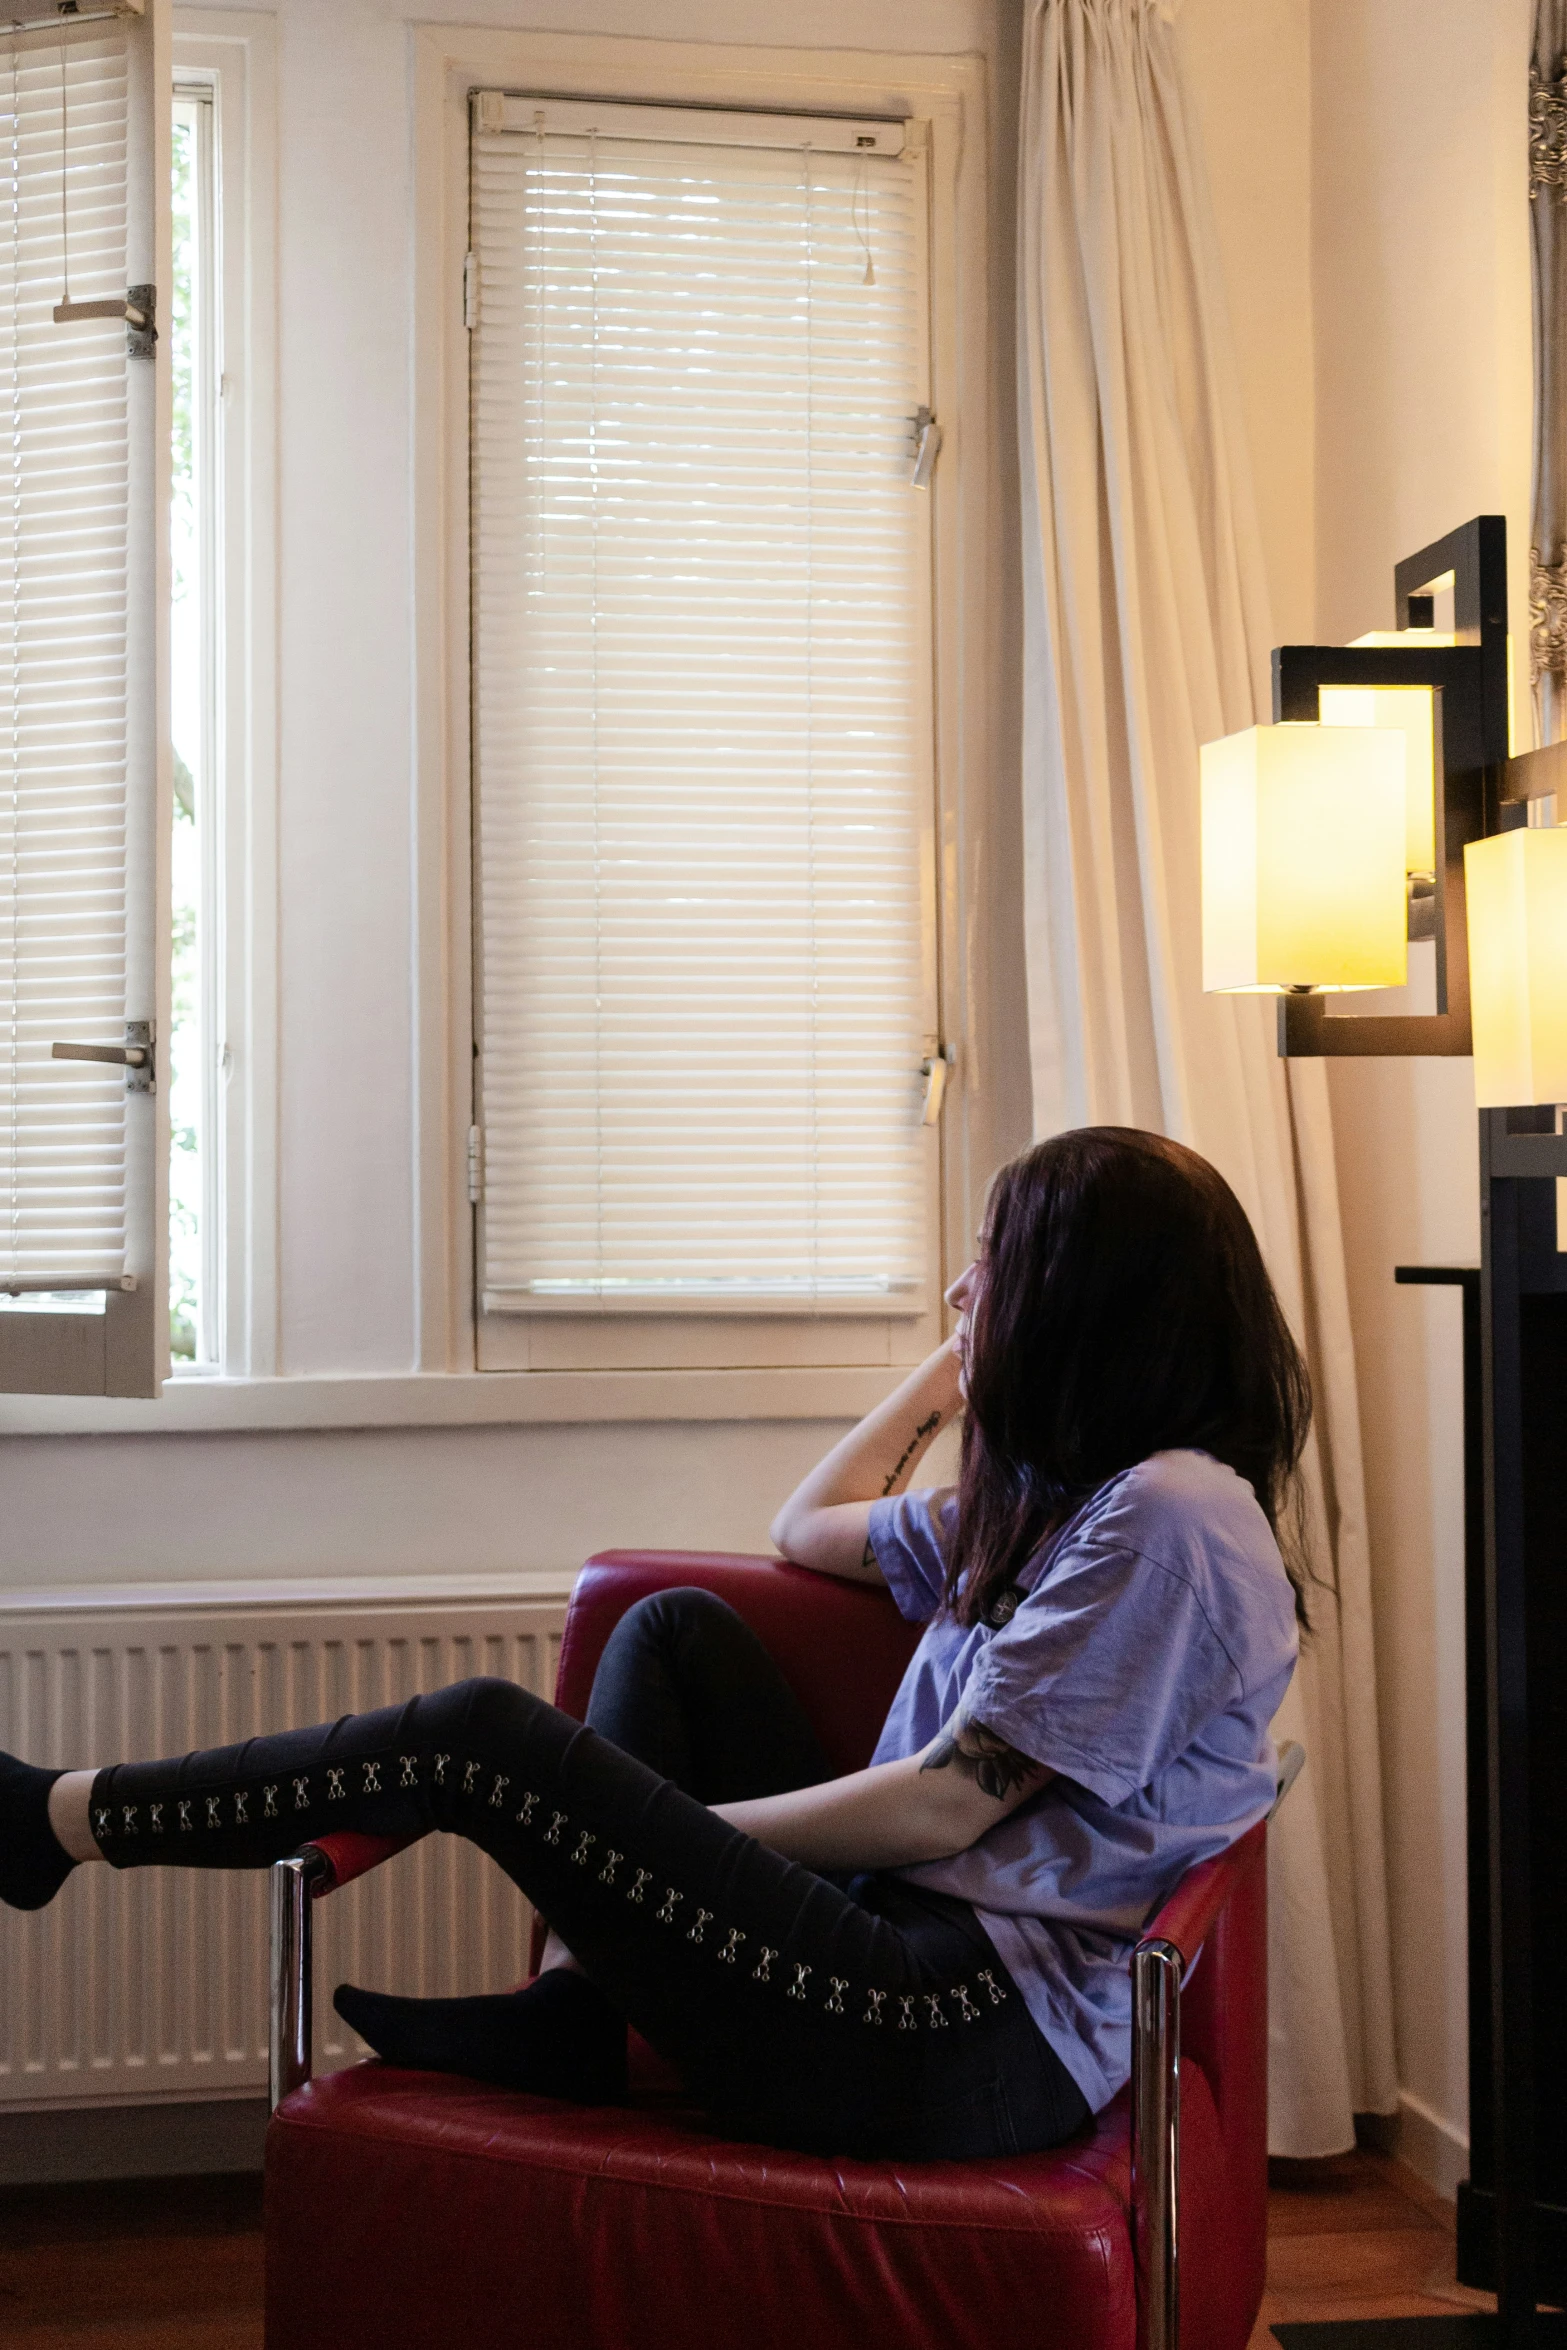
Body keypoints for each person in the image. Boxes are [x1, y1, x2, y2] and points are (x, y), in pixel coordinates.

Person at [0, 1127, 1306, 2161]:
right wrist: (949, 1369)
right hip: (896, 1957)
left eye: (992, 1267)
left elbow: (939, 1811)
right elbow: (806, 1524)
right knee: (671, 1632)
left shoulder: (1173, 1512)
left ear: (1080, 1303)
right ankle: (581, 2008)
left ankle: (56, 1821)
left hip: (953, 2032)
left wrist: (660, 1834)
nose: (962, 1291)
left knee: (482, 1737)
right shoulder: (1067, 1500)